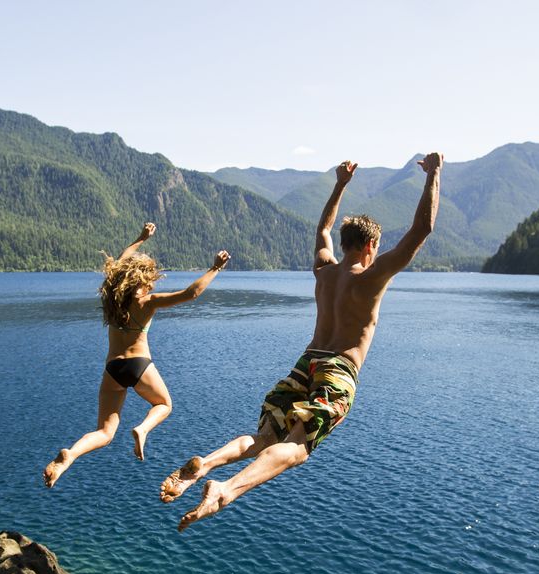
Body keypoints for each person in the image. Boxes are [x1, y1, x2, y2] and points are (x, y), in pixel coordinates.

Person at [160, 153, 443, 531]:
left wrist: (340, 184)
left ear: (344, 244)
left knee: (263, 438)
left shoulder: (324, 270)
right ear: (371, 245)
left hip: (305, 363)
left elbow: (322, 230)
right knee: (297, 448)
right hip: (338, 369)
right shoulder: (373, 277)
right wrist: (434, 175)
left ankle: (207, 463)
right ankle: (224, 490)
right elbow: (421, 230)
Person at [44, 222, 230, 487]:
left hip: (113, 369)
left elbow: (121, 261)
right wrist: (215, 268)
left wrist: (140, 238)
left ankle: (71, 455)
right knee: (164, 404)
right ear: (144, 278)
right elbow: (192, 293)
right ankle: (142, 429)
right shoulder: (147, 302)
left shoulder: (112, 299)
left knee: (105, 432)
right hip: (138, 364)